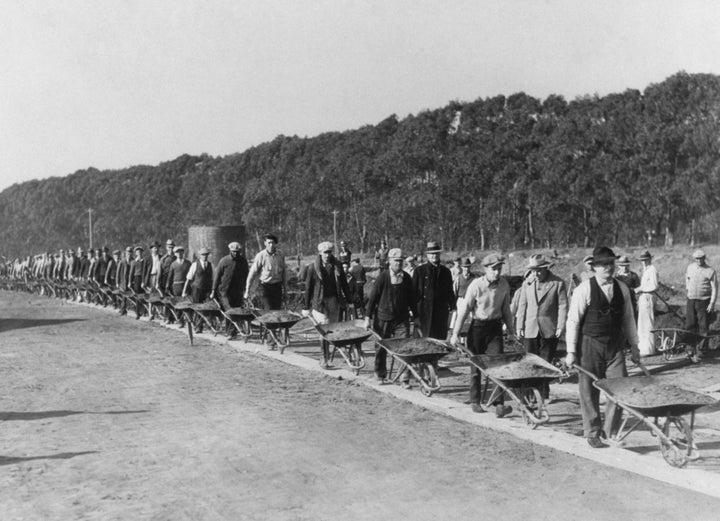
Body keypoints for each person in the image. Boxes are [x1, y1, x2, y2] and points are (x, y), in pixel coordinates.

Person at [565, 246, 640, 448]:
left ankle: (609, 431)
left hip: (615, 346)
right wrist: (571, 351)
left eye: (611, 263)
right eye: (603, 264)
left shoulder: (622, 288)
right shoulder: (584, 289)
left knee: (619, 389)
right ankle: (592, 432)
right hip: (589, 345)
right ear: (594, 267)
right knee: (588, 389)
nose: (608, 267)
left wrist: (635, 346)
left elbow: (629, 319)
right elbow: (572, 321)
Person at [450, 253, 513, 418]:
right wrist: (455, 334)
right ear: (486, 269)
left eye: (499, 269)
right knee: (476, 366)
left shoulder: (504, 285)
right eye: (494, 269)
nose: (497, 273)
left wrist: (512, 331)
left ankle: (499, 404)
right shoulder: (476, 285)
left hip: (495, 328)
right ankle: (475, 401)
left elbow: (506, 309)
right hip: (478, 328)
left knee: (498, 365)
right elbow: (463, 311)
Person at [515, 254, 568, 398]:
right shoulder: (527, 283)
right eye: (532, 271)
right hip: (530, 328)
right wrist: (519, 326)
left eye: (538, 270)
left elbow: (563, 306)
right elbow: (522, 305)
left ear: (545, 269)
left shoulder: (558, 283)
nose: (535, 274)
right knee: (529, 362)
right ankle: (528, 394)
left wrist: (560, 326)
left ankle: (543, 395)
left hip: (549, 329)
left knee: (545, 363)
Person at [365, 248, 415, 386]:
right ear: (389, 262)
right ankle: (380, 374)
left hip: (401, 318)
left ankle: (404, 378)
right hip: (383, 318)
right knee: (381, 346)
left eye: (400, 261)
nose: (398, 264)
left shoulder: (407, 278)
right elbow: (373, 298)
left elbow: (412, 299)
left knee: (404, 347)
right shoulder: (383, 277)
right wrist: (367, 317)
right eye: (396, 261)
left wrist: (416, 316)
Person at [301, 241, 352, 369]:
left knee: (332, 329)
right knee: (324, 330)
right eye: (325, 252)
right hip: (320, 303)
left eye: (329, 252)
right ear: (320, 253)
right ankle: (324, 358)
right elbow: (308, 288)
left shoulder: (337, 265)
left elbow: (344, 284)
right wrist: (306, 307)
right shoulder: (313, 268)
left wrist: (350, 301)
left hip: (334, 301)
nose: (327, 255)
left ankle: (332, 354)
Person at [412, 241, 455, 340]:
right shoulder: (419, 271)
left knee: (438, 341)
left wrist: (453, 306)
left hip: (440, 312)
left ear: (439, 254)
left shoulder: (446, 272)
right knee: (422, 341)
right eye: (432, 254)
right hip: (423, 312)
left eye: (436, 253)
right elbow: (413, 293)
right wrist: (414, 311)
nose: (434, 256)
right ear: (427, 255)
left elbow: (450, 291)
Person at [211, 242, 249, 339]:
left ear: (240, 251)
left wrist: (246, 289)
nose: (236, 253)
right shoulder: (224, 261)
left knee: (236, 311)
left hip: (237, 291)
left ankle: (232, 332)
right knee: (229, 310)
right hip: (224, 291)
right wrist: (213, 290)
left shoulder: (243, 261)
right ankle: (230, 332)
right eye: (234, 252)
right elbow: (217, 276)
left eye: (237, 251)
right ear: (230, 251)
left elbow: (246, 276)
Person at [685, 249, 717, 361]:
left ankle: (702, 350)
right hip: (691, 299)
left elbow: (715, 288)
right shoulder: (690, 267)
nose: (699, 260)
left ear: (704, 258)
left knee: (703, 326)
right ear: (694, 259)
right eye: (697, 258)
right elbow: (687, 278)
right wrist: (688, 289)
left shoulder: (710, 271)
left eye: (701, 258)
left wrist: (712, 303)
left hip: (704, 301)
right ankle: (690, 349)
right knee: (690, 324)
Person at [244, 233, 287, 310]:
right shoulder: (261, 256)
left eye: (273, 242)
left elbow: (284, 273)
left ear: (275, 243)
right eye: (269, 243)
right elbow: (252, 274)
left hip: (277, 287)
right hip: (265, 287)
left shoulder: (280, 255)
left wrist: (285, 290)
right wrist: (247, 291)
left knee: (277, 310)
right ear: (265, 243)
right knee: (268, 309)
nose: (271, 245)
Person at [183, 247, 213, 333]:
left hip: (207, 290)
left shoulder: (211, 265)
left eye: (206, 255)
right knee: (197, 308)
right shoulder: (195, 264)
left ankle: (202, 325)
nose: (205, 256)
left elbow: (213, 279)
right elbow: (188, 279)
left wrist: (213, 290)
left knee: (206, 308)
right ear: (200, 255)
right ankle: (197, 326)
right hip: (197, 290)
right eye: (203, 255)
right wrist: (184, 291)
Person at [635, 250, 658, 356]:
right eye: (642, 260)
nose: (644, 262)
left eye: (645, 260)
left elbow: (654, 286)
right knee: (642, 323)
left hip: (648, 296)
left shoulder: (652, 270)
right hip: (643, 296)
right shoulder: (645, 270)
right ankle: (643, 348)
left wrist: (640, 289)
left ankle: (649, 349)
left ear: (650, 259)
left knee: (648, 323)